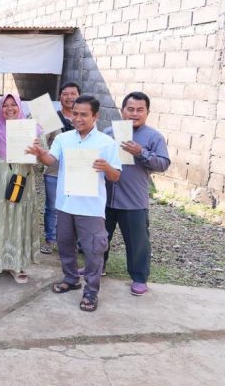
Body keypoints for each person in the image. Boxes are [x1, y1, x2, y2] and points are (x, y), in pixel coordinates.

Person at [27, 95, 121, 312]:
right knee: (65, 245)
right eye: (75, 114)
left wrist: (106, 168)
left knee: (93, 250)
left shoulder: (106, 143)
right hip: (66, 205)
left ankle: (91, 291)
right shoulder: (64, 139)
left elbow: (116, 176)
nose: (78, 118)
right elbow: (51, 160)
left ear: (95, 116)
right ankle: (70, 278)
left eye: (84, 115)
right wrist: (41, 154)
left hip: (91, 208)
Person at [104, 92, 170, 296]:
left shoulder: (153, 137)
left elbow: (163, 164)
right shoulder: (109, 132)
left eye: (140, 110)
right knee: (99, 237)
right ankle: (97, 267)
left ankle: (139, 278)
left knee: (137, 242)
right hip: (105, 198)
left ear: (147, 112)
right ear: (122, 111)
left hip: (133, 200)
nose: (134, 113)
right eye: (130, 109)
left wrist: (141, 152)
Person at [0, 94, 41, 284]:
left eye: (14, 104)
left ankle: (16, 263)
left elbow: (42, 157)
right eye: (5, 105)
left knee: (18, 217)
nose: (10, 108)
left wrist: (37, 149)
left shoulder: (32, 128)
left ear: (20, 107)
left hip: (22, 177)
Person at [41, 82, 80, 255]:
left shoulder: (84, 118)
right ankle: (50, 239)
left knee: (76, 207)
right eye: (65, 94)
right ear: (60, 97)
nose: (69, 97)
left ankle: (74, 241)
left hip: (78, 173)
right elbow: (43, 141)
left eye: (73, 93)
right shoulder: (52, 119)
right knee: (52, 208)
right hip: (54, 171)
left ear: (79, 96)